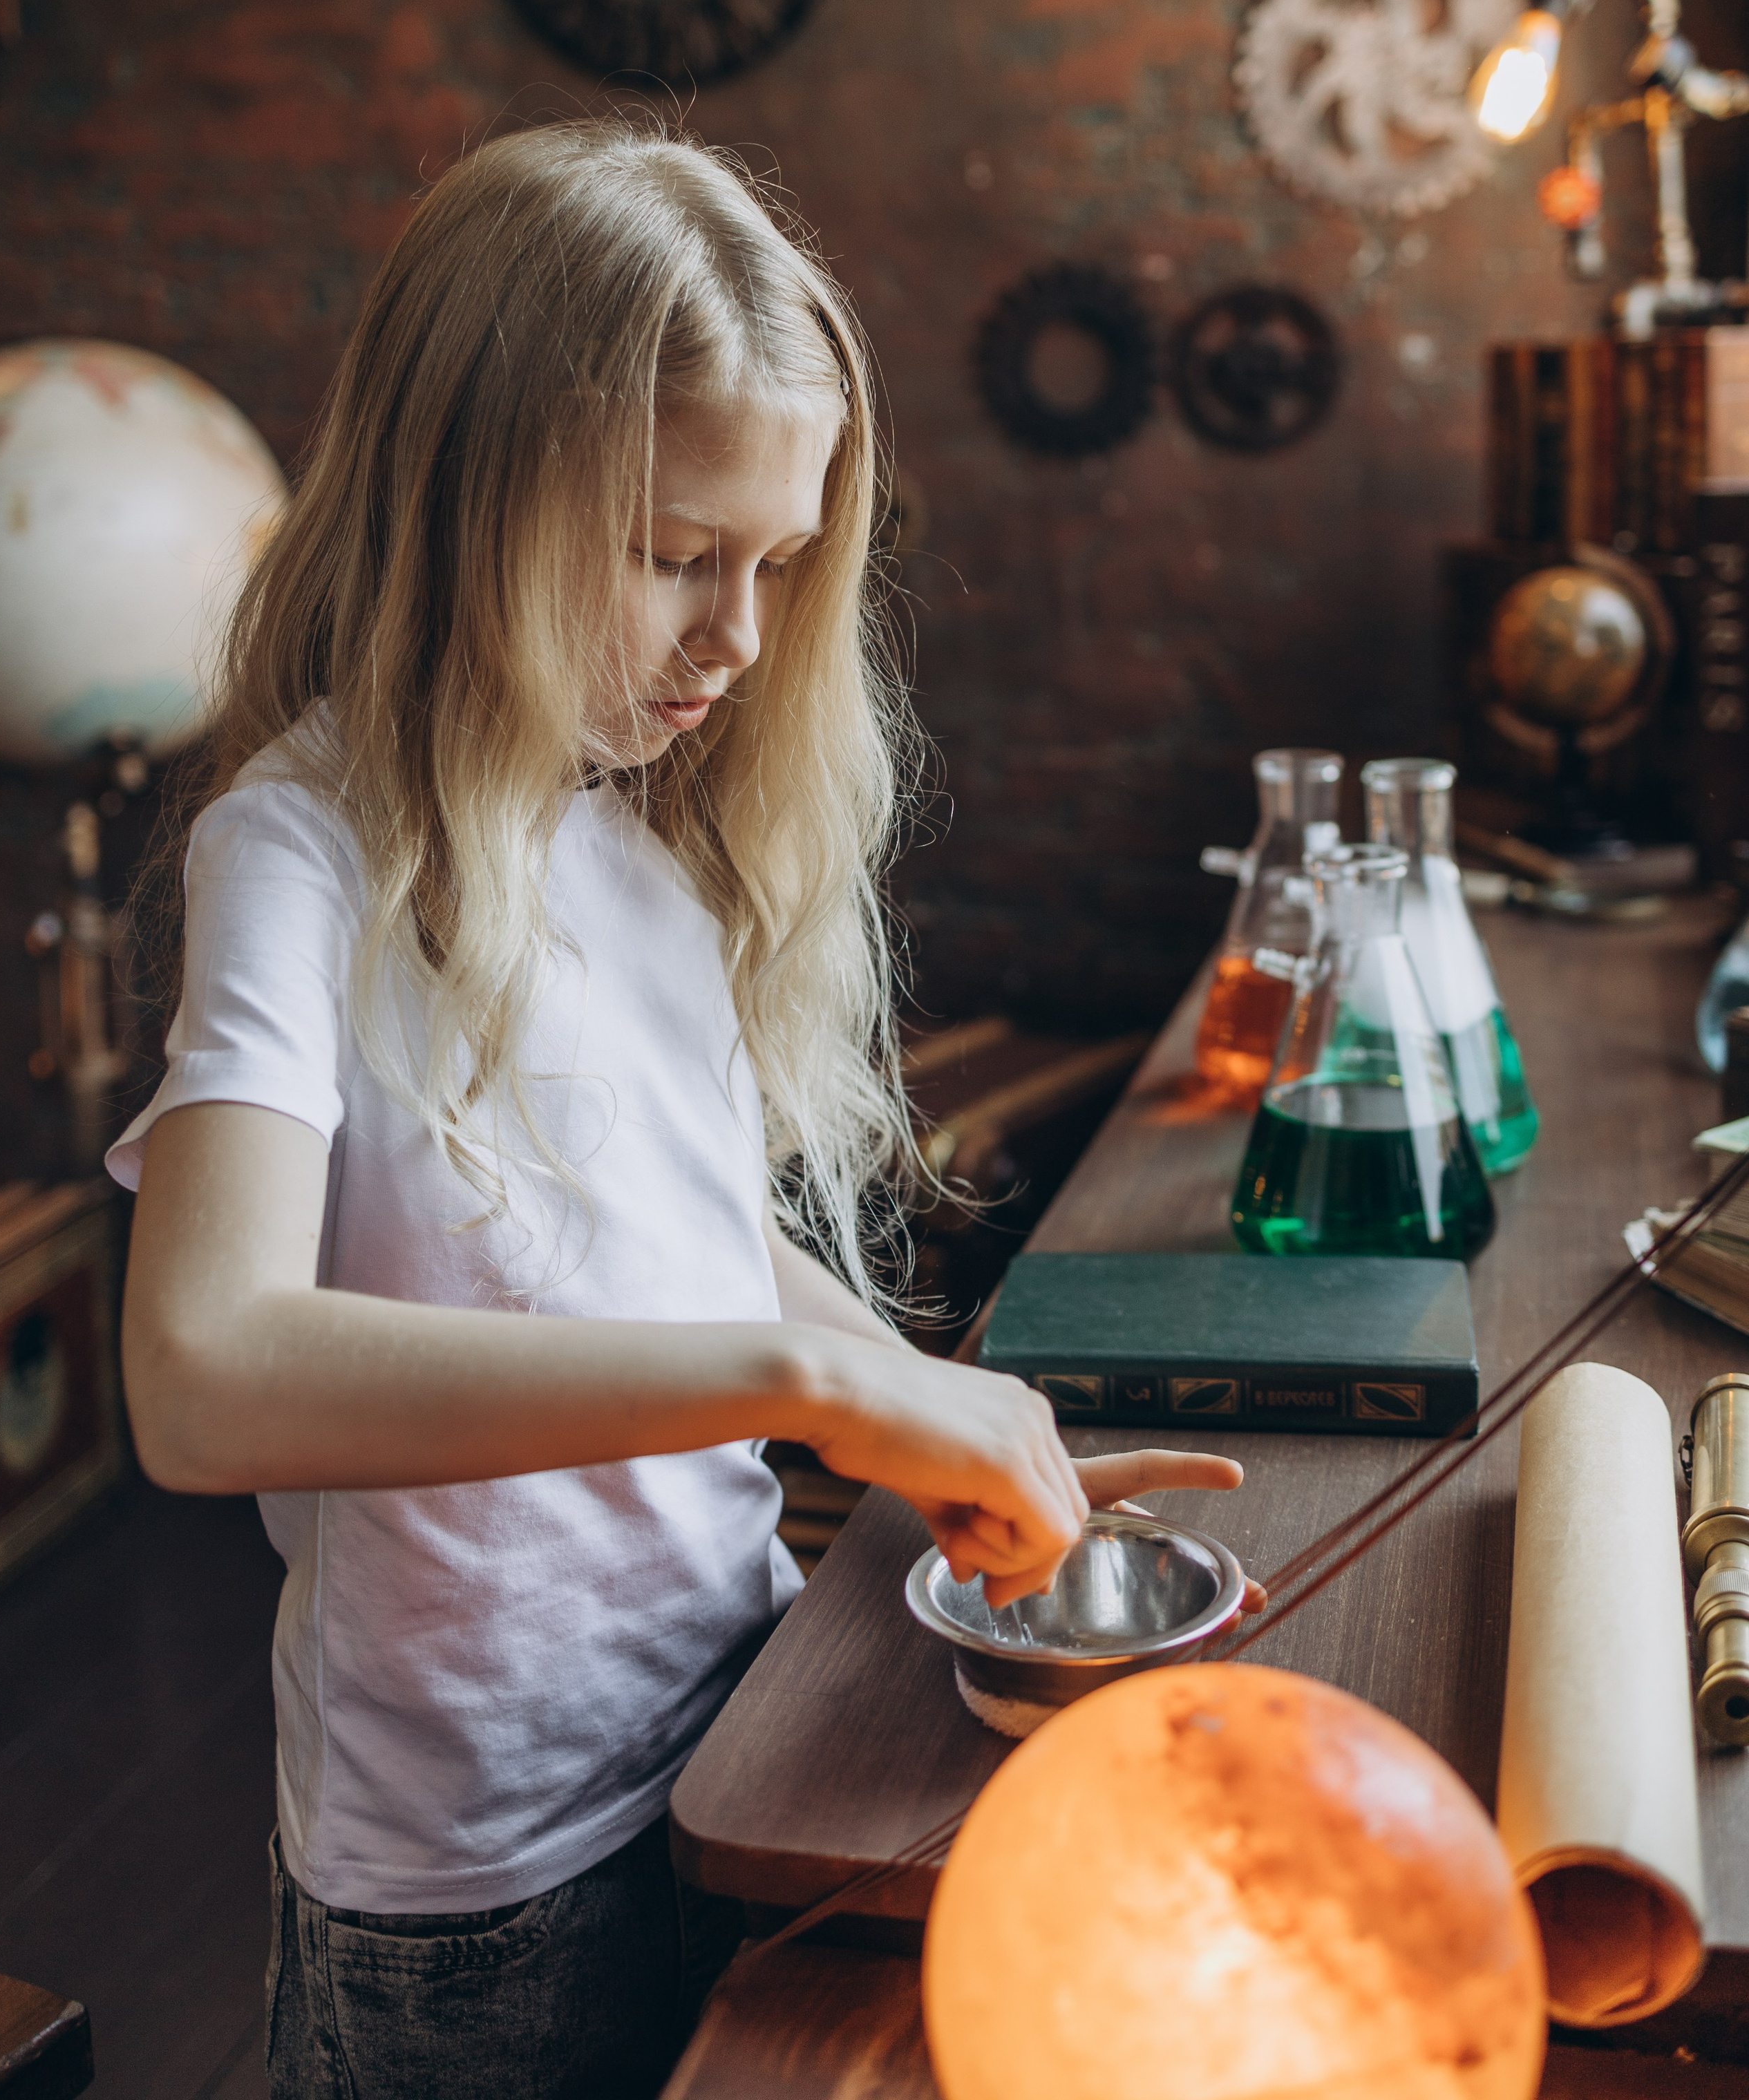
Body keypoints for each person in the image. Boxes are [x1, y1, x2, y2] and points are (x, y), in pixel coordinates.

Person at [115, 121, 1256, 2100]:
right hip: (476, 1880)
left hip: (723, 1726)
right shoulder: (298, 853)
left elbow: (686, 1239)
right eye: (670, 557)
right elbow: (203, 1377)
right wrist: (801, 1390)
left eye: (779, 565)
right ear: (464, 496)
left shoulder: (625, 838)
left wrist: (935, 1411)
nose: (736, 638)